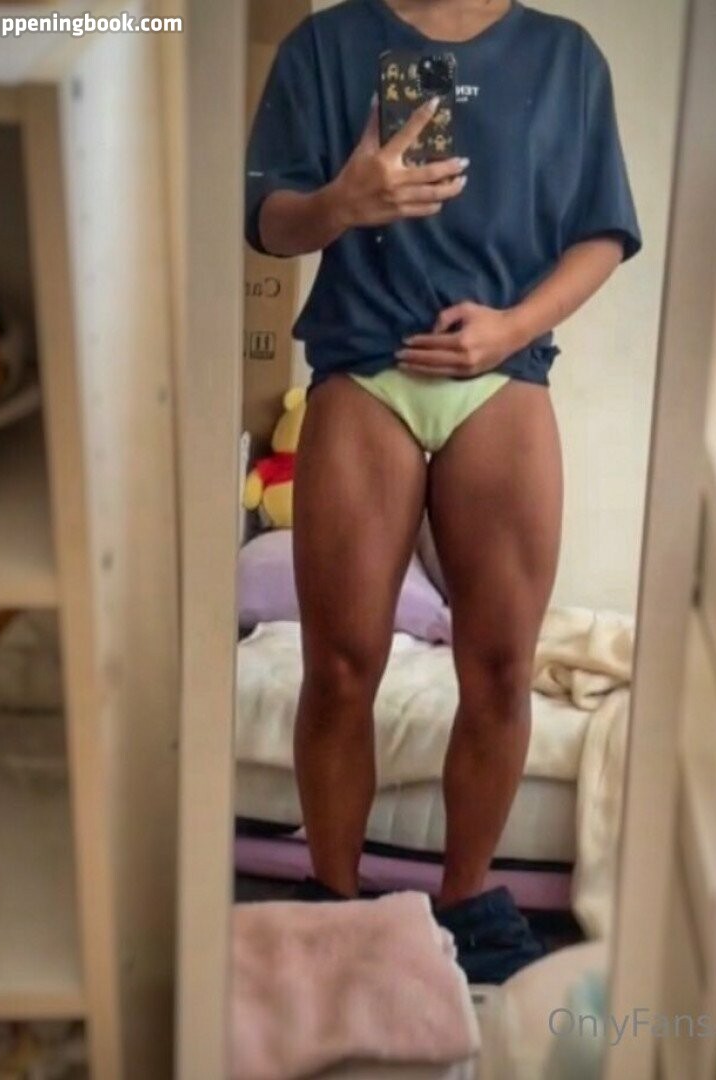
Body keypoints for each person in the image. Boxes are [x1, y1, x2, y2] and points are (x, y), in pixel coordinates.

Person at [245, 0, 640, 982]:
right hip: (360, 366)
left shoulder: (565, 57)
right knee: (341, 667)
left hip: (503, 373)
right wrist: (343, 202)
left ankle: (465, 899)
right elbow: (268, 222)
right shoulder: (325, 45)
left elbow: (602, 233)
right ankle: (334, 900)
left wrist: (512, 329)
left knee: (500, 668)